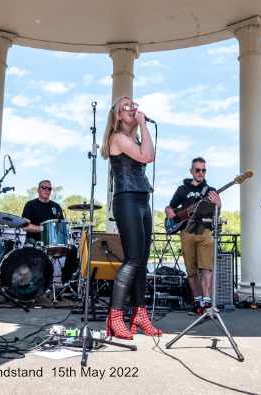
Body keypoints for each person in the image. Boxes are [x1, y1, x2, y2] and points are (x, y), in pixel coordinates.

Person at [100, 96, 161, 339]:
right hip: (126, 200)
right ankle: (115, 316)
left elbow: (147, 152)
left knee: (142, 262)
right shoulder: (117, 138)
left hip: (142, 200)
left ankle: (139, 314)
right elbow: (148, 156)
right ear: (116, 115)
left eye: (133, 103)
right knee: (133, 260)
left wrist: (141, 127)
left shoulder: (134, 137)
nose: (132, 107)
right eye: (125, 105)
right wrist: (144, 123)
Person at [165, 157, 221, 315]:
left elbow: (216, 215)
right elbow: (170, 207)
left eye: (203, 170)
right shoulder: (182, 189)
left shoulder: (211, 190)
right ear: (191, 171)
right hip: (187, 231)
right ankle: (197, 302)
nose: (201, 173)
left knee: (206, 268)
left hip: (205, 231)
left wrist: (219, 205)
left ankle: (207, 302)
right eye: (197, 170)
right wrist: (171, 214)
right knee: (191, 270)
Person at [21, 180, 77, 285]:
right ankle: (32, 284)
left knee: (73, 250)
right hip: (34, 241)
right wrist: (43, 229)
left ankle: (65, 282)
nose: (47, 190)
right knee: (30, 252)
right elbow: (25, 226)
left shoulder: (56, 207)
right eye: (44, 187)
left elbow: (60, 226)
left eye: (49, 188)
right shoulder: (30, 205)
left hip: (53, 243)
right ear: (38, 190)